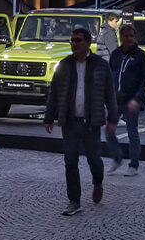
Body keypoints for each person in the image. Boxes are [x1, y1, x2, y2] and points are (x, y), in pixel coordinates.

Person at [45, 27, 112, 216]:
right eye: (72, 40)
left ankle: (98, 181)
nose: (74, 44)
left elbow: (110, 93)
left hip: (92, 122)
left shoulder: (101, 65)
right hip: (70, 122)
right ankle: (74, 200)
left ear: (87, 43)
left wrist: (113, 118)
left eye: (78, 40)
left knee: (94, 160)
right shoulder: (64, 64)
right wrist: (49, 117)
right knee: (70, 161)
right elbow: (54, 92)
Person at [105, 24, 145, 175]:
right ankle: (117, 158)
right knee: (109, 129)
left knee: (132, 132)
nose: (129, 39)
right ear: (121, 37)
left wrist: (137, 99)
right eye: (126, 36)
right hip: (116, 99)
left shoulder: (141, 56)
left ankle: (134, 165)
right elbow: (111, 74)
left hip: (132, 100)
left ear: (135, 37)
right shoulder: (116, 54)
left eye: (131, 36)